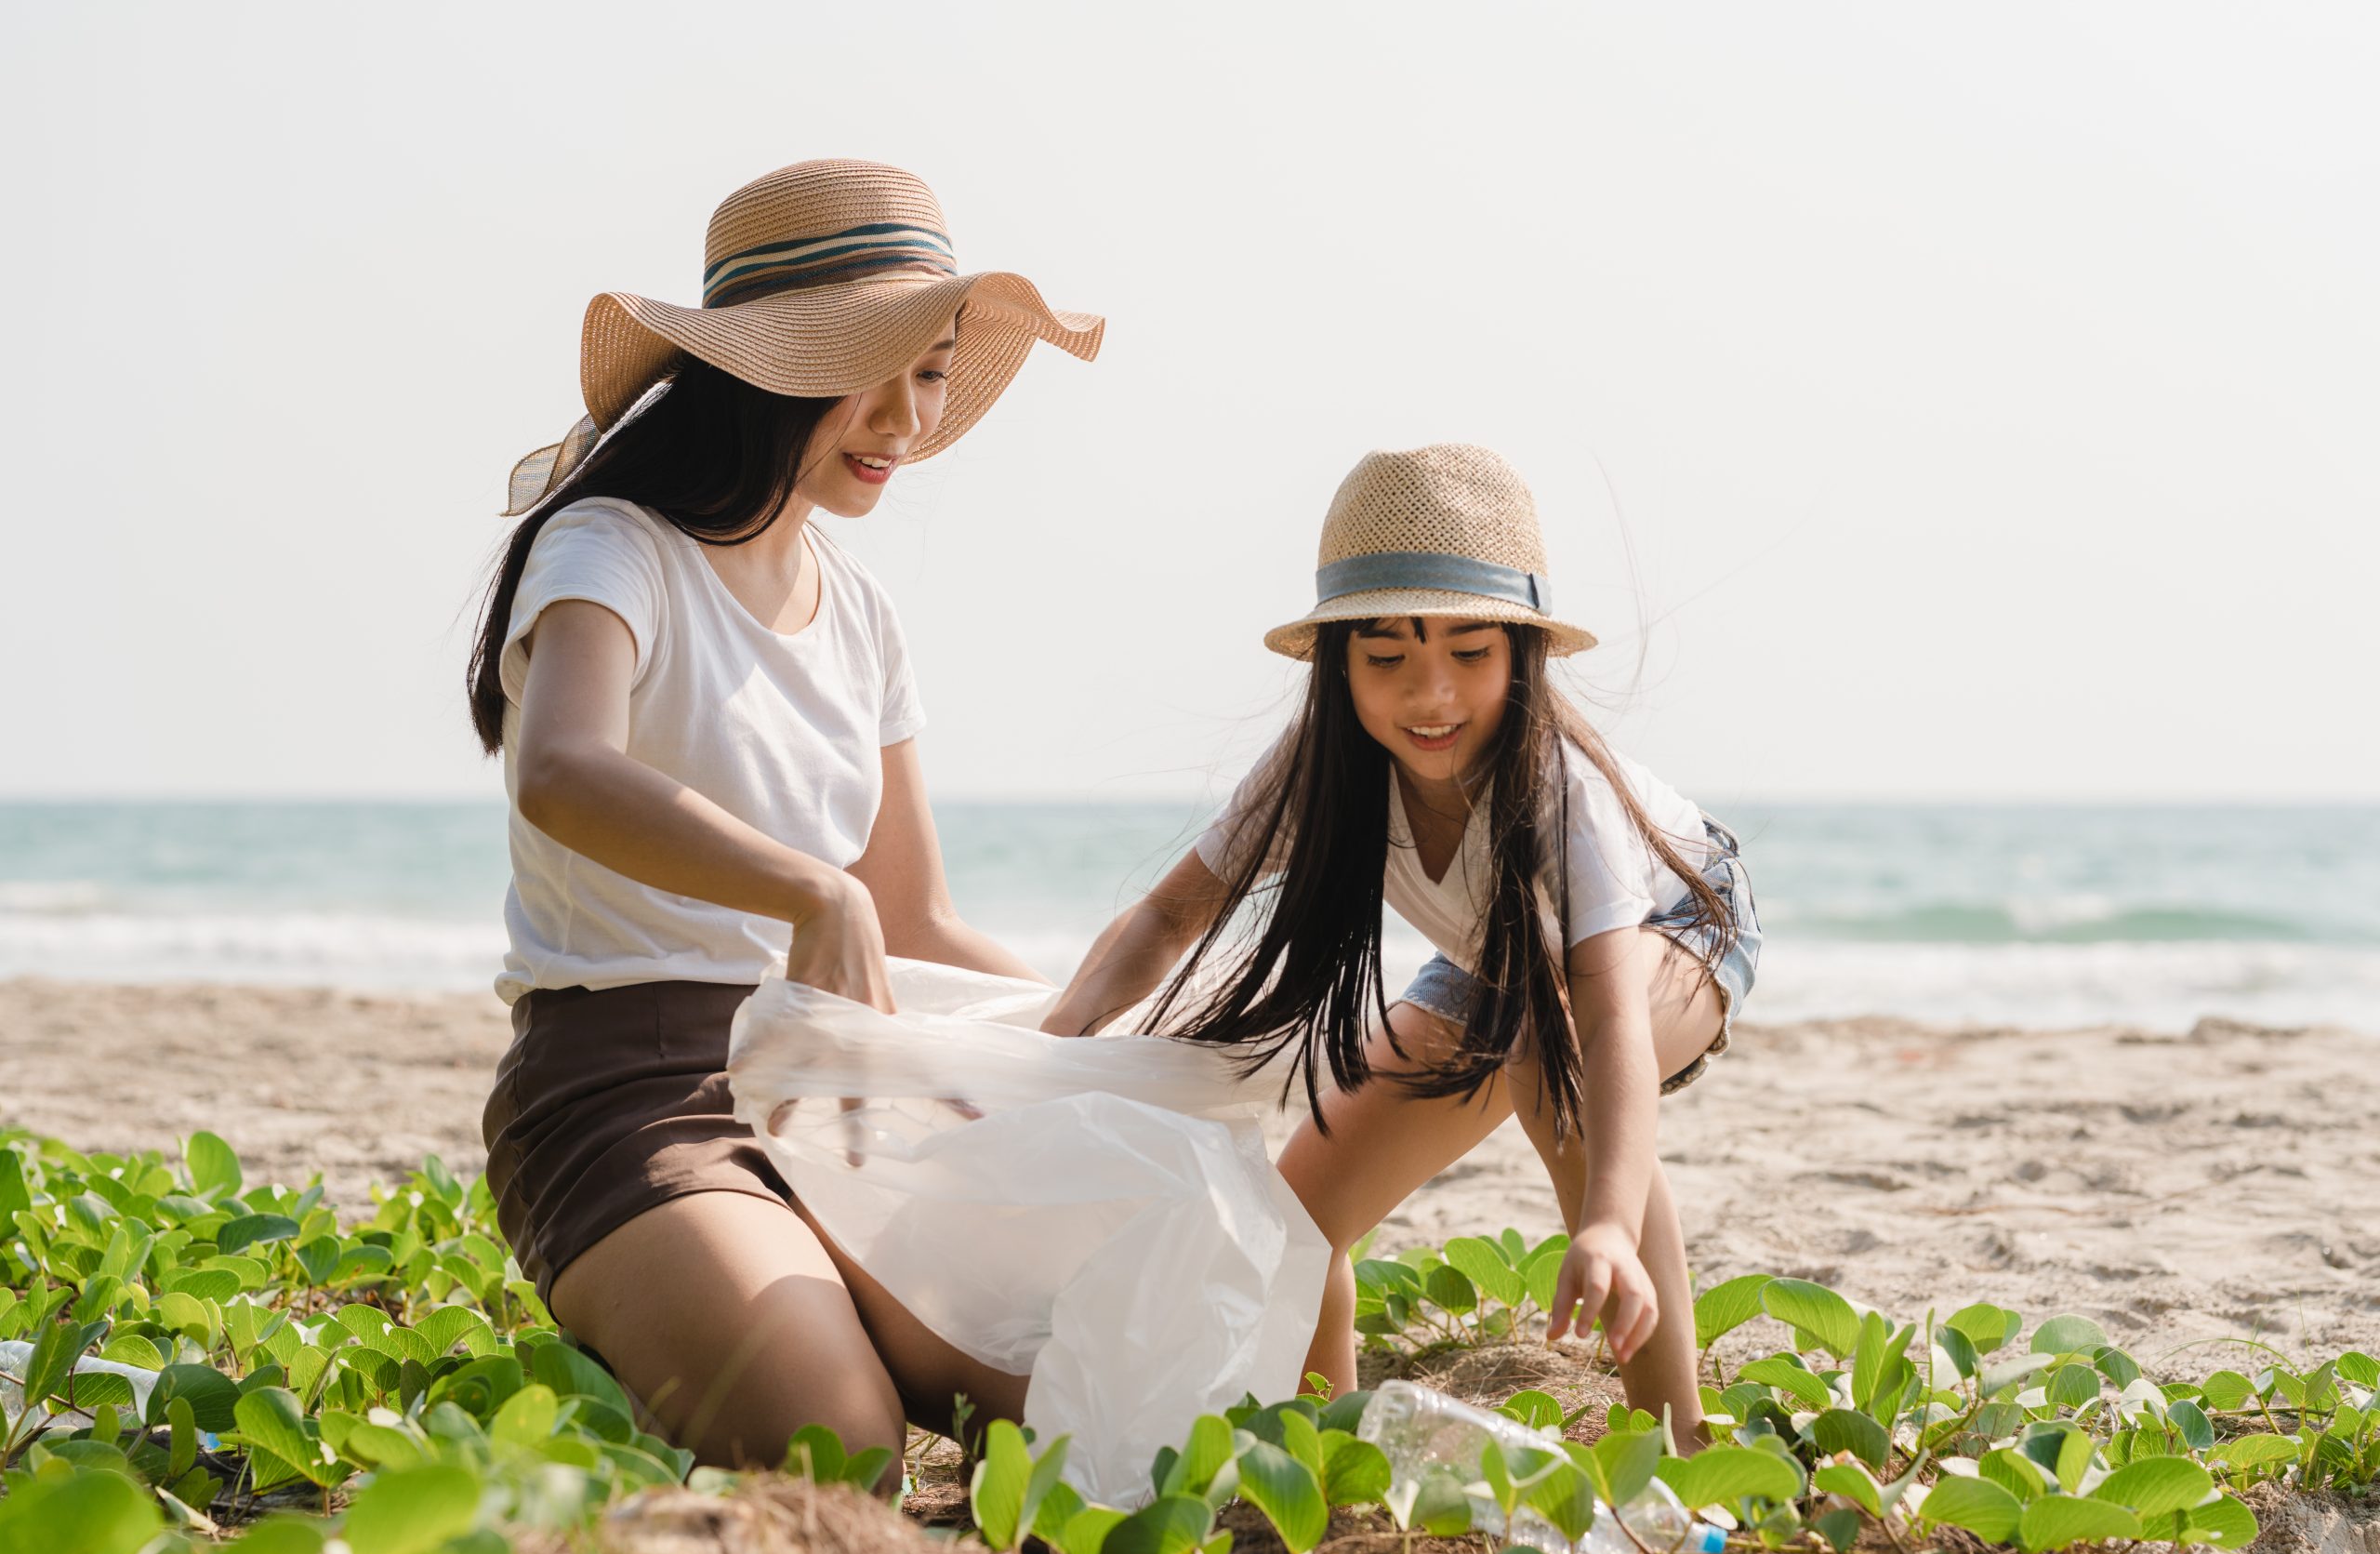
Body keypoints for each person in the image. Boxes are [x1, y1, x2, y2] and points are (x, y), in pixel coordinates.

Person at [464, 158, 1100, 1470]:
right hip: (626, 1089)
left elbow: (917, 916)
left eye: (930, 370)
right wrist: (812, 890)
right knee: (843, 1443)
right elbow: (559, 769)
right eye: (867, 369)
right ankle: (662, 1302)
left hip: (841, 1089)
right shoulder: (613, 546)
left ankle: (729, 1303)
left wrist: (1111, 1030)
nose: (905, 418)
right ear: (758, 368)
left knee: (1091, 1391)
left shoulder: (860, 608)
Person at [1041, 443, 1758, 1445]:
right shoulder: (1317, 772)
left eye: (1470, 654)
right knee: (1294, 1223)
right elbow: (1168, 917)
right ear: (1340, 664)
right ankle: (1331, 1446)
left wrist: (1603, 1221)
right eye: (1387, 659)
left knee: (1547, 1055)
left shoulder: (1565, 793)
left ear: (1523, 654)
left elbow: (1603, 1011)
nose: (1430, 698)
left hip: (1675, 921)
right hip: (1497, 959)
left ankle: (1678, 1441)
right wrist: (1065, 1032)